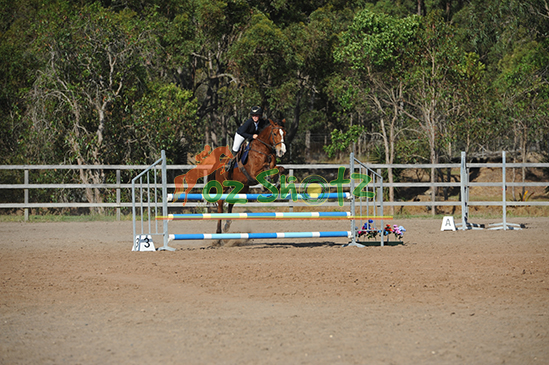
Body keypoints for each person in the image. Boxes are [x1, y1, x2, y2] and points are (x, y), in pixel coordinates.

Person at [226, 106, 267, 171]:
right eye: (253, 115)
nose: (255, 117)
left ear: (260, 115)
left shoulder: (262, 122)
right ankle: (229, 164)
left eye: (256, 115)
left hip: (252, 136)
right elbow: (242, 133)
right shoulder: (249, 122)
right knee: (236, 148)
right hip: (241, 135)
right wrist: (252, 136)